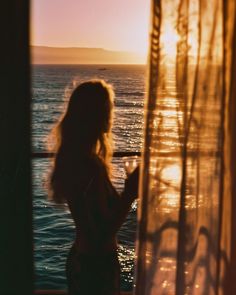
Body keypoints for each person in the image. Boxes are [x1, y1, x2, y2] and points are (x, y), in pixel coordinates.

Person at [49, 80, 139, 295]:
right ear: (95, 115)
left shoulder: (80, 158)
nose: (112, 113)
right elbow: (100, 235)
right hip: (95, 266)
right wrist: (130, 193)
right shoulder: (88, 166)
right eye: (108, 108)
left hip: (83, 260)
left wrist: (129, 189)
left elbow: (102, 215)